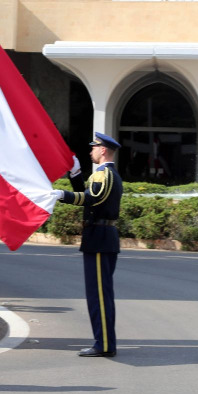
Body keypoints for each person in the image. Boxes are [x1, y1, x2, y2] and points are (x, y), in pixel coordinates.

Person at [53, 132, 123, 358]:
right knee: (97, 294)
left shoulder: (105, 174)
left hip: (101, 238)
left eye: (94, 147)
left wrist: (61, 195)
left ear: (103, 150)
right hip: (98, 237)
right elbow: (88, 194)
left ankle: (104, 345)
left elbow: (92, 199)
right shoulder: (101, 175)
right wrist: (75, 175)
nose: (91, 150)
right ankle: (103, 342)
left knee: (99, 296)